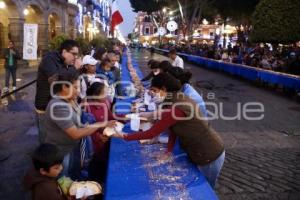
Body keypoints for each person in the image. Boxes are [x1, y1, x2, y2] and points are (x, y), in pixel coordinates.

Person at [111, 73, 225, 188]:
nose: (153, 94)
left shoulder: (177, 106)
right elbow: (174, 128)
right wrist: (168, 152)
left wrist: (124, 136)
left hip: (209, 153)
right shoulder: (178, 97)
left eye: (154, 90)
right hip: (204, 147)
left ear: (164, 89)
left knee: (205, 186)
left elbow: (151, 133)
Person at [43, 73, 116, 178]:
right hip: (62, 152)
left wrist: (101, 128)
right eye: (76, 87)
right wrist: (101, 124)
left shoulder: (71, 100)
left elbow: (83, 119)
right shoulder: (58, 106)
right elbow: (75, 134)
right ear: (64, 87)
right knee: (64, 178)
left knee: (74, 174)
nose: (78, 91)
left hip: (73, 148)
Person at [35, 39, 80, 143]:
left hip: (58, 104)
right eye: (74, 54)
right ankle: (44, 158)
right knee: (46, 139)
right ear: (64, 51)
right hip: (45, 106)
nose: (75, 57)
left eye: (77, 55)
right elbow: (57, 80)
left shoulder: (64, 62)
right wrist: (74, 68)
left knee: (58, 137)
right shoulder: (49, 58)